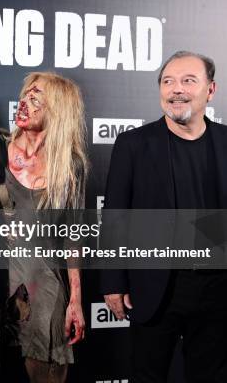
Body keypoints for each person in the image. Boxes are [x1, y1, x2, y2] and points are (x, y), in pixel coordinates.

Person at [0, 71, 88, 383]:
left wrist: (75, 298)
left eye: (37, 100)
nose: (25, 103)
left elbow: (74, 234)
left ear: (58, 112)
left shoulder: (71, 165)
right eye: (25, 96)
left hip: (43, 286)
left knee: (46, 374)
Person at [101, 51, 227, 382]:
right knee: (147, 374)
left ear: (210, 90)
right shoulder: (133, 144)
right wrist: (114, 282)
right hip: (156, 286)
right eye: (168, 81)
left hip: (217, 289)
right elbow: (115, 217)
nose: (176, 90)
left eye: (188, 81)